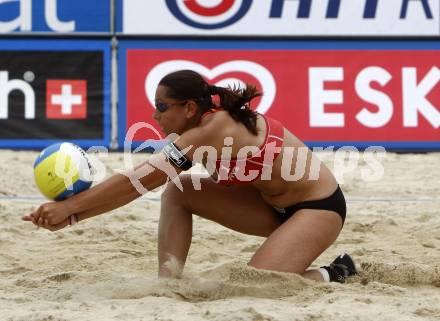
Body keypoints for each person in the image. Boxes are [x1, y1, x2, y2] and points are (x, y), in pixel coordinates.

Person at [23, 70, 357, 283]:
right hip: (271, 209)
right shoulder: (195, 132)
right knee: (180, 188)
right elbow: (137, 183)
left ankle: (336, 273)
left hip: (317, 209)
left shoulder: (213, 130)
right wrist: (72, 214)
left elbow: (136, 182)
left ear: (190, 108)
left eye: (162, 106)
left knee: (257, 286)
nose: (155, 115)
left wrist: (70, 211)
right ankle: (167, 282)